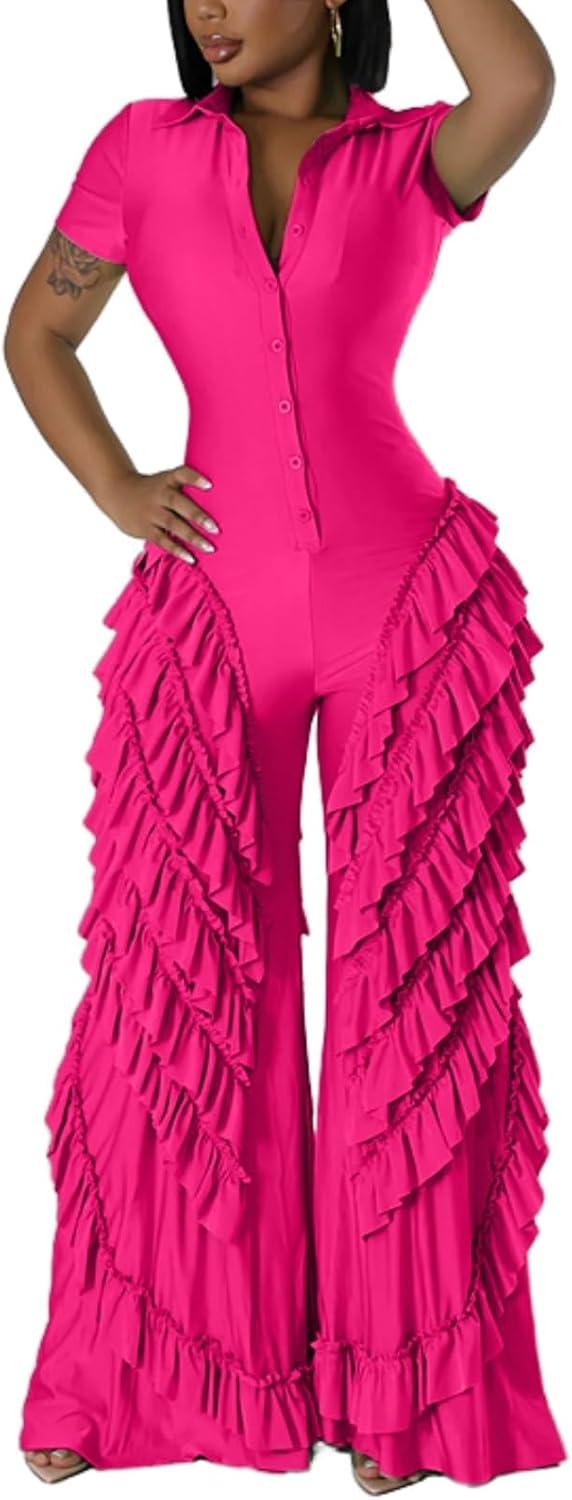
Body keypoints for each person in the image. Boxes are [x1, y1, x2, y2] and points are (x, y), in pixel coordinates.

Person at [5, 0, 567, 1491]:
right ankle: (137, 1382)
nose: (206, 7)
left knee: (412, 997)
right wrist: (119, 488)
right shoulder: (141, 149)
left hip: (406, 598)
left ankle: (408, 1397)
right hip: (211, 603)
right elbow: (37, 334)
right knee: (174, 981)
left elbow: (522, 76)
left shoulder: (410, 159)